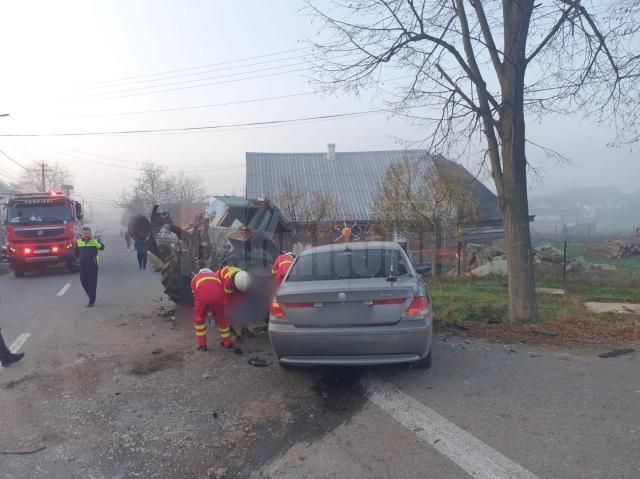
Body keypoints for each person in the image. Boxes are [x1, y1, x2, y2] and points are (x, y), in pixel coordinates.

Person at [189, 266, 251, 351]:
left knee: (199, 320)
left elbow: (196, 296)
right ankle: (228, 343)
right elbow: (219, 291)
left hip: (203, 298)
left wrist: (205, 311)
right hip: (219, 297)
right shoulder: (215, 276)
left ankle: (202, 345)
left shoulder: (195, 278)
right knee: (222, 319)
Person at [75, 226, 105, 307]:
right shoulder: (78, 242)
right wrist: (78, 258)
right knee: (83, 282)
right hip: (82, 265)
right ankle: (91, 296)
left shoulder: (95, 241)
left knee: (92, 283)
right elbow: (75, 251)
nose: (86, 235)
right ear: (81, 234)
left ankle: (91, 301)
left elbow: (102, 247)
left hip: (93, 265)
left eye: (87, 233)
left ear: (90, 233)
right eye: (84, 233)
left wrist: (94, 242)